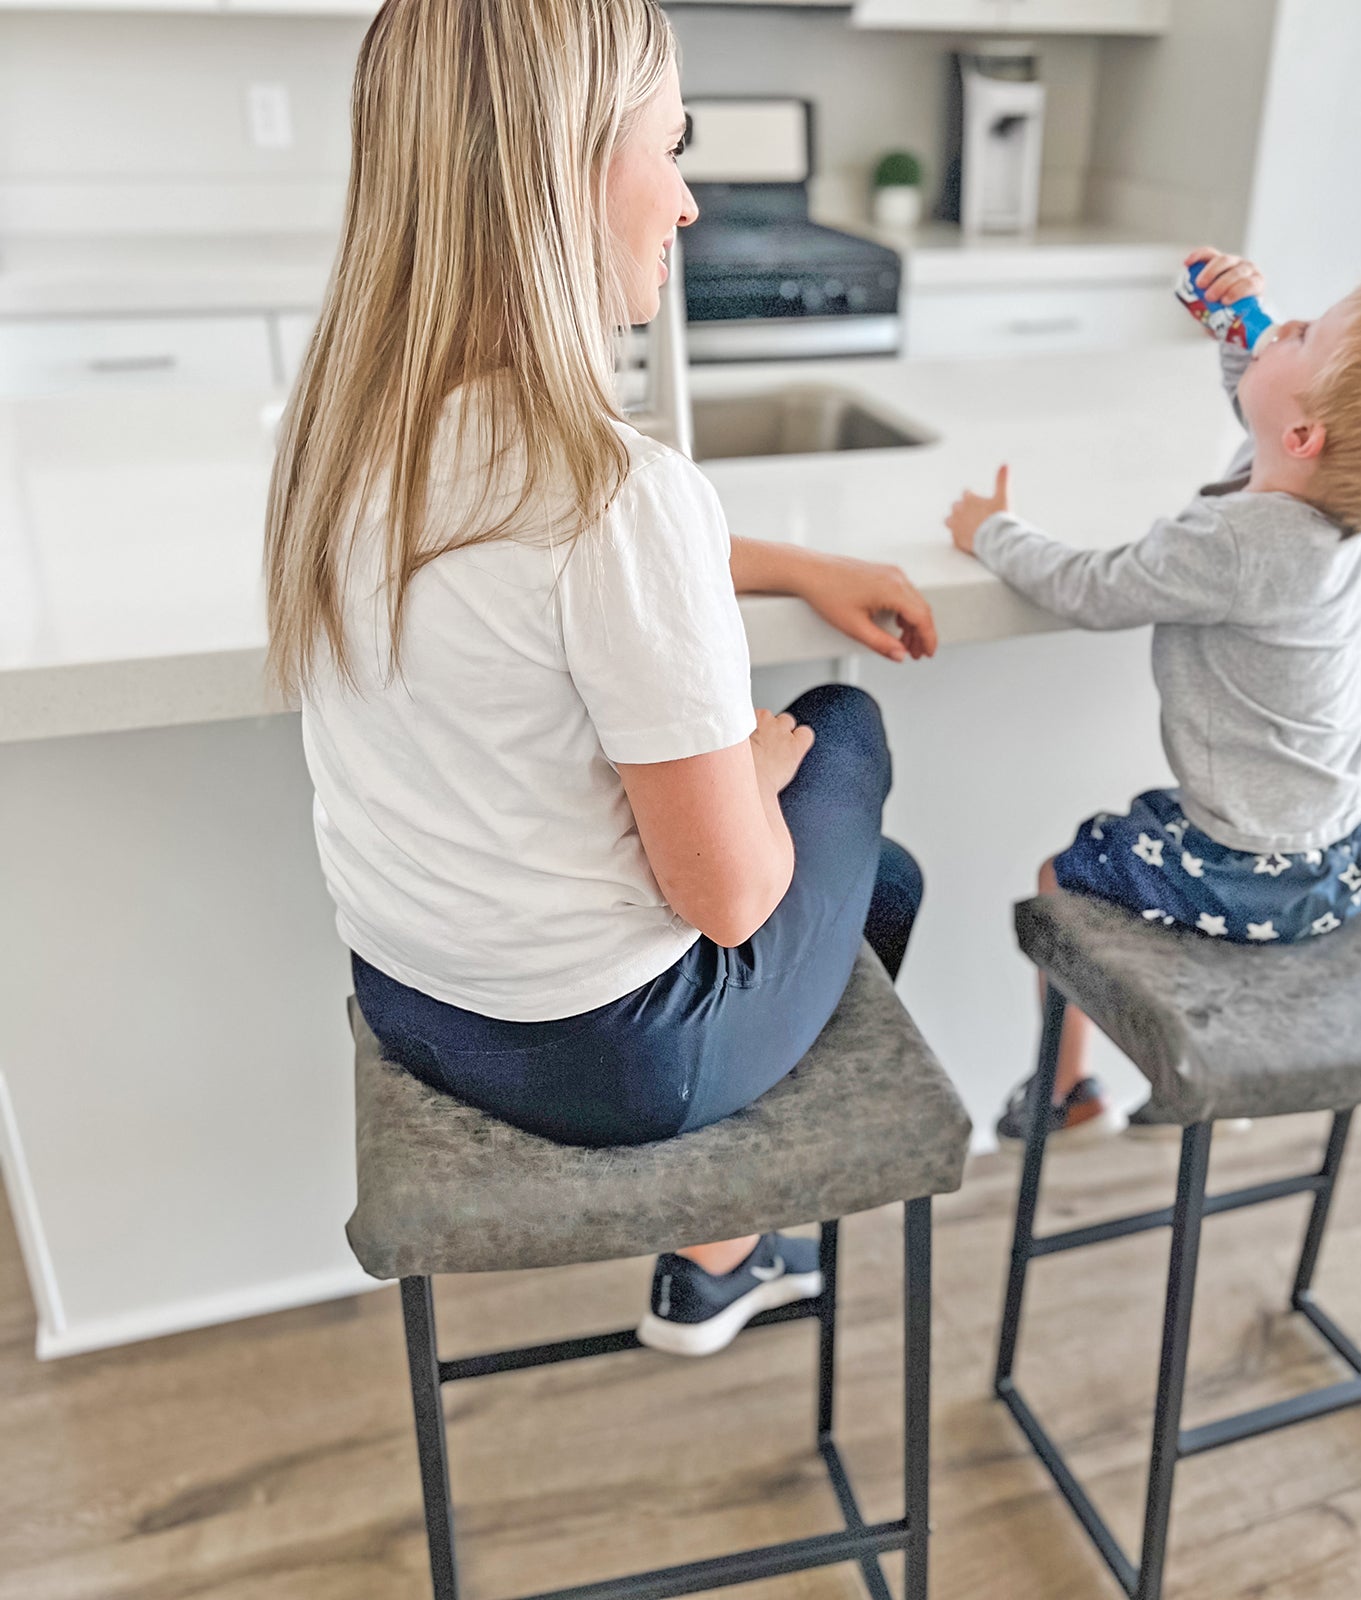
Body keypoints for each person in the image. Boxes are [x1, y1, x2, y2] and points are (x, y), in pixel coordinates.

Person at [263, 0, 938, 1357]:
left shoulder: (340, 432)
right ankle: (723, 1242)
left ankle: (726, 1247)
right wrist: (762, 760)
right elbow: (731, 897)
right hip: (612, 1058)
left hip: (409, 998)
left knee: (882, 871)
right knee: (846, 734)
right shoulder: (619, 497)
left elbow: (547, 570)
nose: (686, 203)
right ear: (561, 170)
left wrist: (791, 564)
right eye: (670, 148)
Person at [944, 247, 1361, 1144]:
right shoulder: (1328, 504)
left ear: (1306, 437)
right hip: (1338, 856)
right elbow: (1273, 418)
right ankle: (1185, 1075)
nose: (1279, 328)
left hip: (1245, 870)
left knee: (1064, 878)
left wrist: (992, 532)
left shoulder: (1232, 543)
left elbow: (1090, 589)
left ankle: (1069, 1093)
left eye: (1304, 333)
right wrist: (1241, 326)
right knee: (1139, 837)